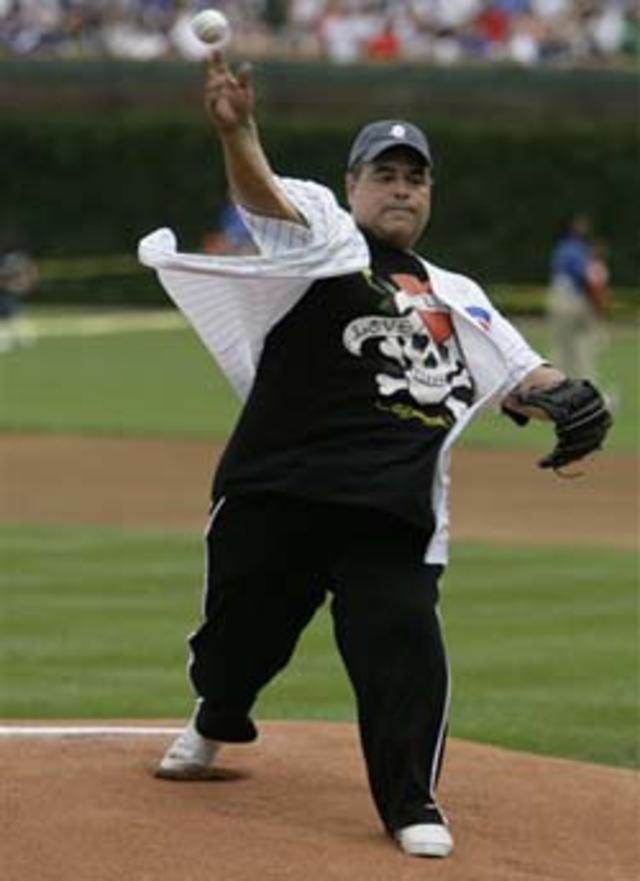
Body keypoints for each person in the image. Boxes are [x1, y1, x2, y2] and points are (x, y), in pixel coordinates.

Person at [138, 54, 611, 859]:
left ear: (429, 195)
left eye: (415, 178)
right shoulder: (320, 237)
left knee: (403, 645)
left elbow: (517, 370)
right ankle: (218, 713)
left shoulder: (457, 290)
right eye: (384, 173)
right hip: (278, 489)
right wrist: (240, 131)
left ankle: (410, 799)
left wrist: (565, 394)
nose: (400, 188)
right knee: (239, 640)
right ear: (353, 185)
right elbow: (264, 196)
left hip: (389, 505)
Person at [547, 213, 610, 382]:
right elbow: (586, 278)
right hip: (572, 299)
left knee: (562, 347)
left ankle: (555, 386)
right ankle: (583, 388)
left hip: (561, 298)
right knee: (578, 347)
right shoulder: (576, 250)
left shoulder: (563, 248)